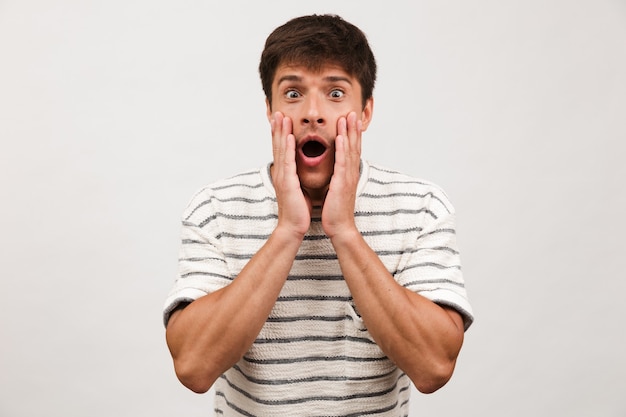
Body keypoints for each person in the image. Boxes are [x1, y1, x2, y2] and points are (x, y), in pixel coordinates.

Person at [163, 13, 473, 416]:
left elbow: (433, 367)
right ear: (269, 109)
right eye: (292, 94)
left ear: (365, 112)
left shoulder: (421, 207)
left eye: (336, 93)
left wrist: (344, 230)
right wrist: (288, 230)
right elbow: (194, 367)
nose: (313, 113)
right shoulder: (215, 209)